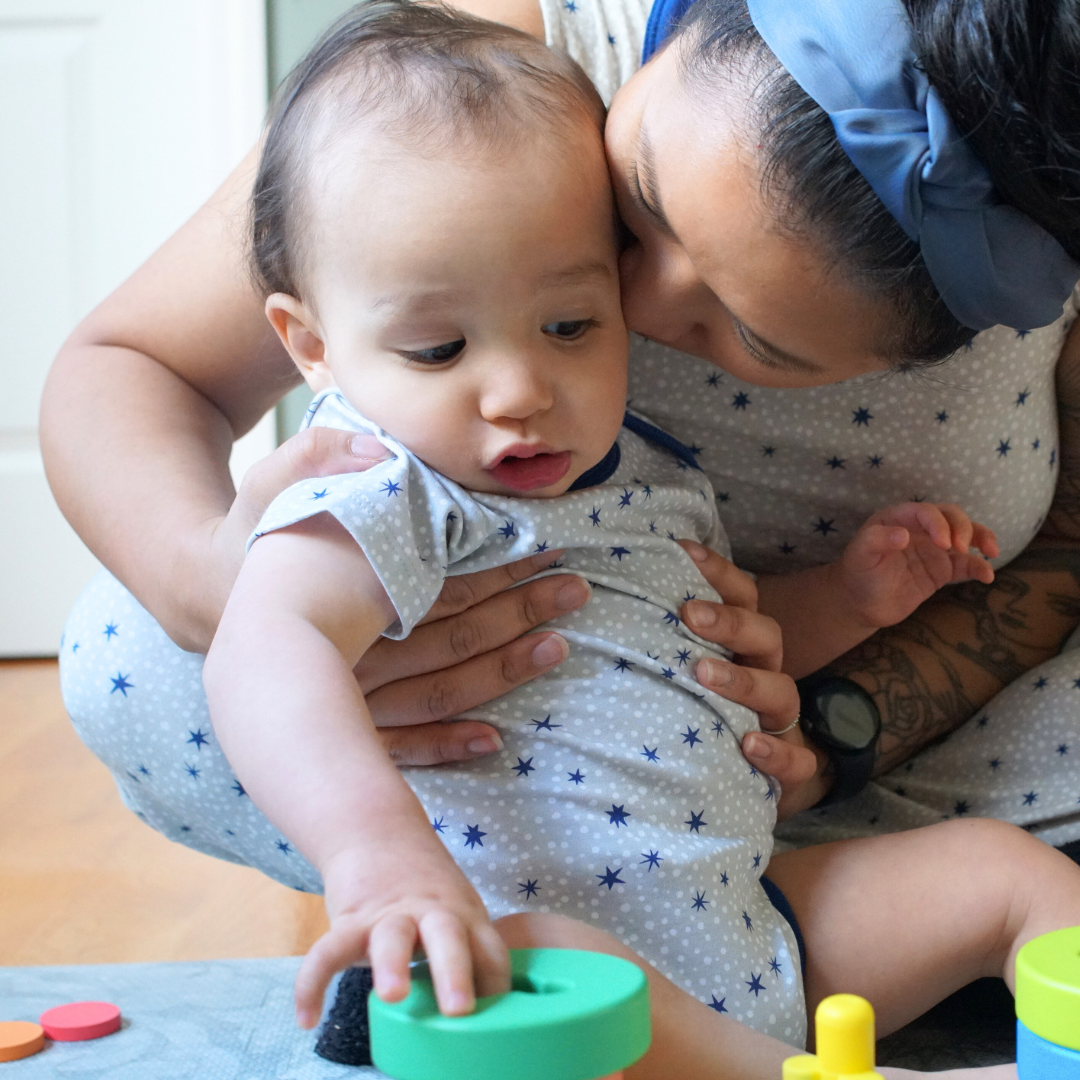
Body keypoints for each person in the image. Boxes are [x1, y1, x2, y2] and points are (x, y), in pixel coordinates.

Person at [61, 12, 1076, 1076]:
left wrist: (851, 600)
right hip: (572, 961)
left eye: (571, 325)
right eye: (441, 347)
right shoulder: (386, 479)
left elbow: (719, 644)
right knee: (560, 979)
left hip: (753, 915)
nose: (521, 389)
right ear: (313, 345)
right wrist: (379, 858)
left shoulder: (650, 478)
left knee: (1007, 878)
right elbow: (268, 649)